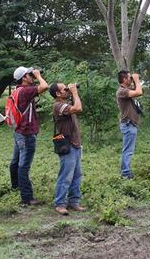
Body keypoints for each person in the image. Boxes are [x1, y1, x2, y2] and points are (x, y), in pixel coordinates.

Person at [9, 66, 49, 206]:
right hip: (26, 133)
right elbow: (44, 86)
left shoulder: (17, 90)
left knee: (16, 160)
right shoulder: (25, 91)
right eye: (29, 74)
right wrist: (38, 75)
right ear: (23, 78)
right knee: (23, 165)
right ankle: (26, 197)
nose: (31, 75)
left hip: (18, 131)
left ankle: (15, 186)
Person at [49, 83, 85, 215]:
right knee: (66, 175)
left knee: (76, 175)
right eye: (64, 89)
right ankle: (59, 203)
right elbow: (78, 108)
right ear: (58, 94)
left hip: (75, 144)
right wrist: (74, 92)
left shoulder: (65, 103)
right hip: (67, 145)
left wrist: (72, 92)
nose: (67, 90)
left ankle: (74, 201)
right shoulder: (58, 105)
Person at [116, 70, 143, 179]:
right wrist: (136, 79)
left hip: (130, 124)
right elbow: (139, 92)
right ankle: (126, 174)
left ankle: (124, 171)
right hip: (128, 124)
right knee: (128, 151)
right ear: (124, 79)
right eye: (129, 78)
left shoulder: (126, 90)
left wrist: (136, 81)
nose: (131, 80)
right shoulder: (121, 91)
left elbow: (139, 90)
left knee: (127, 150)